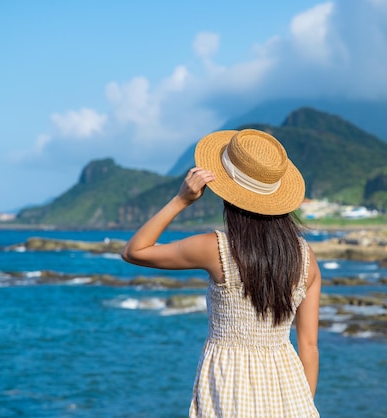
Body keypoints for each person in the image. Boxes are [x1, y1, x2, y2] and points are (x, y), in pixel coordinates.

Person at [122, 128, 320, 417]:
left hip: (231, 389)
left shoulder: (217, 249)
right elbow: (310, 346)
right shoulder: (305, 257)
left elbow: (134, 251)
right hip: (290, 391)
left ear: (228, 191)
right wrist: (304, 404)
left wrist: (182, 200)